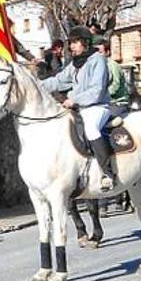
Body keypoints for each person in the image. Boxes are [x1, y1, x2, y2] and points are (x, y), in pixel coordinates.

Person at [41, 26, 115, 191]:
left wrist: (73, 100)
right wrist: (36, 86)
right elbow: (58, 81)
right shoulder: (75, 64)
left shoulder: (98, 60)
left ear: (85, 43)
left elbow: (96, 91)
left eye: (75, 42)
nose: (72, 46)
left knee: (91, 129)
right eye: (70, 43)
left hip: (97, 107)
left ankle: (107, 173)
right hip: (78, 108)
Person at [93, 35, 130, 115]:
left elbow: (115, 86)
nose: (97, 55)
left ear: (107, 52)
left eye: (100, 52)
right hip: (102, 102)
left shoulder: (113, 66)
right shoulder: (95, 67)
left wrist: (98, 95)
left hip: (117, 103)